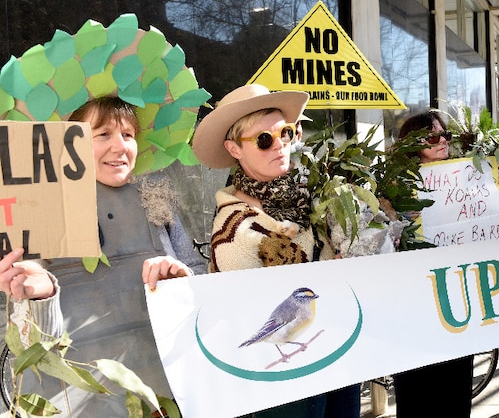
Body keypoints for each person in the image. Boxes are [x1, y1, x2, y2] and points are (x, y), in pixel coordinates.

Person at [0, 96, 198, 416]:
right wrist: (41, 296)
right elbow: (33, 343)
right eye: (103, 134)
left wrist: (181, 280)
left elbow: (197, 277)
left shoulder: (157, 199)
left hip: (161, 392)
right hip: (73, 401)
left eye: (128, 135)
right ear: (67, 143)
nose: (120, 147)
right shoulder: (38, 211)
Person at [191, 83, 359, 418]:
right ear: (234, 149)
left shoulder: (314, 197)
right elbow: (244, 316)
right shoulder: (235, 228)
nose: (280, 146)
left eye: (285, 132)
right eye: (264, 140)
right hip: (284, 381)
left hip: (340, 358)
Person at [389, 111, 473, 418]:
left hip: (457, 300)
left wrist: (494, 191)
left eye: (445, 135)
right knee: (417, 394)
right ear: (412, 145)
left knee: (456, 391)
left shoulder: (469, 177)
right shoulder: (395, 186)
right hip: (415, 305)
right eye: (432, 136)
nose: (442, 142)